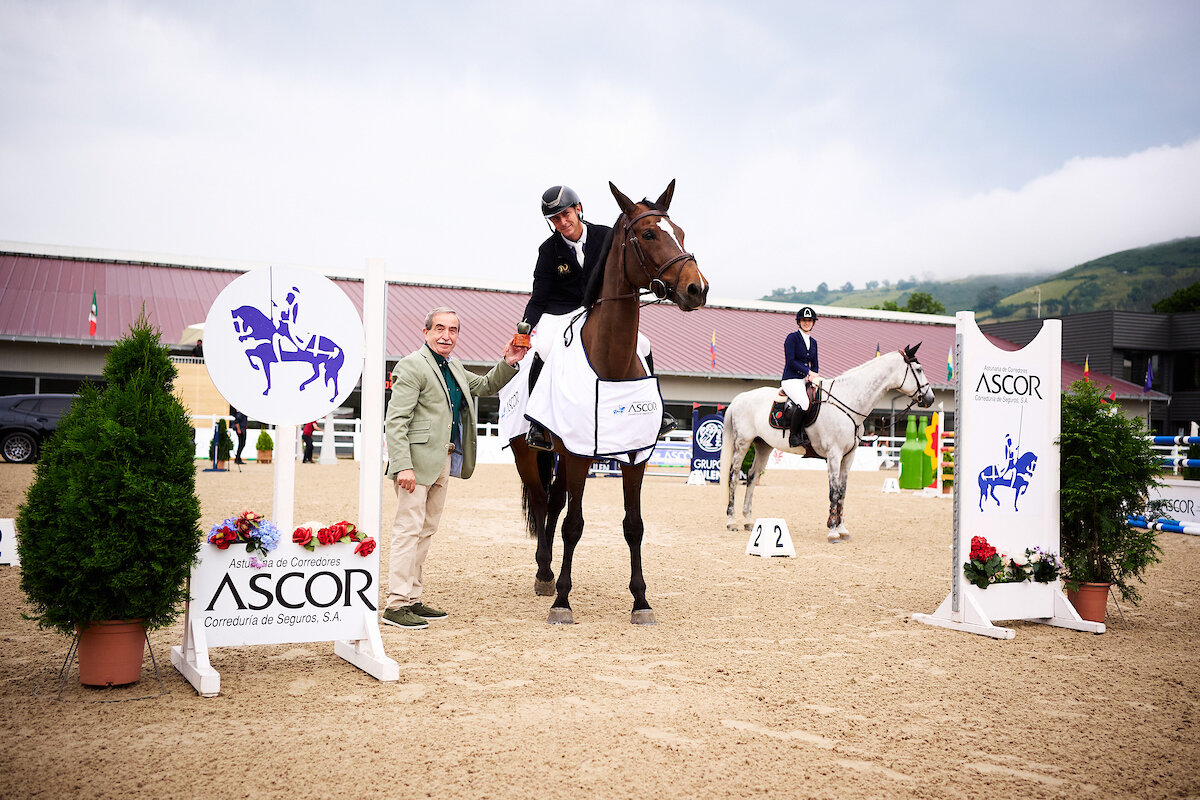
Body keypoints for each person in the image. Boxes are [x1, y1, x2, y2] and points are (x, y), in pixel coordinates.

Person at [383, 307, 529, 629]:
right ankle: (395, 604)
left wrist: (510, 361)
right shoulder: (411, 365)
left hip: (443, 461)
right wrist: (402, 466)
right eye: (439, 329)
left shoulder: (454, 365)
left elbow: (486, 386)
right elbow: (395, 421)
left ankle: (412, 599)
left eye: (452, 330)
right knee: (408, 531)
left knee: (426, 531)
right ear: (426, 333)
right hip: (415, 465)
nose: (446, 335)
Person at [521, 184, 675, 450]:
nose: (562, 222)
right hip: (561, 313)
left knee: (643, 344)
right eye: (555, 219)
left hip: (598, 310)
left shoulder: (606, 236)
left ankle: (656, 411)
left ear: (578, 209)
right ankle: (537, 422)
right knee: (543, 347)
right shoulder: (548, 250)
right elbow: (539, 297)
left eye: (565, 214)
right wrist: (524, 329)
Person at [782, 306, 821, 448]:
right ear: (799, 322)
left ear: (813, 323)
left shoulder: (814, 342)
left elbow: (815, 364)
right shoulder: (792, 338)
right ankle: (794, 436)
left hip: (806, 379)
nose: (807, 323)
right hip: (791, 379)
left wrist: (814, 376)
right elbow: (791, 361)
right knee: (804, 403)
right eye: (804, 320)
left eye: (809, 320)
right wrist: (808, 373)